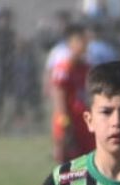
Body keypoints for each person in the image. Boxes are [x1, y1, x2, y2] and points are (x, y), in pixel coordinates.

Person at [48, 25, 93, 163]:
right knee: (68, 165)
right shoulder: (64, 69)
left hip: (84, 120)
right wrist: (65, 123)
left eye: (85, 41)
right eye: (80, 41)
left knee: (90, 161)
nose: (84, 45)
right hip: (69, 121)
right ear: (70, 44)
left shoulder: (87, 68)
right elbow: (59, 99)